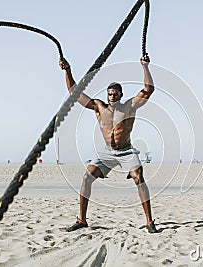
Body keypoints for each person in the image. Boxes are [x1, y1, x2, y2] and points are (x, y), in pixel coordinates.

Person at [59, 55, 158, 233]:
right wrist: (68, 70)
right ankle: (81, 220)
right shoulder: (99, 107)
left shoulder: (129, 107)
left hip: (127, 151)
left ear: (121, 94)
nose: (112, 96)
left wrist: (145, 67)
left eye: (115, 94)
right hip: (107, 153)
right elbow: (75, 94)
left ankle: (150, 222)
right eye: (109, 94)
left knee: (138, 177)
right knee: (86, 178)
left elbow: (148, 89)